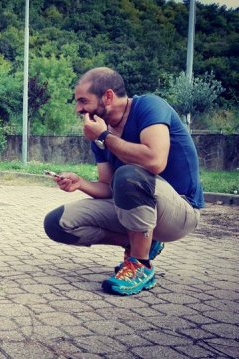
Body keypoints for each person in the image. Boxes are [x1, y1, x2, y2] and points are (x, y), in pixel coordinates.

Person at [43, 67, 203, 296]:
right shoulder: (99, 133)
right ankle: (144, 243)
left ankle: (140, 264)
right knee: (57, 224)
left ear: (107, 96)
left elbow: (155, 161)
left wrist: (104, 138)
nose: (79, 109)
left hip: (180, 211)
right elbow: (109, 187)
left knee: (129, 174)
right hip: (140, 205)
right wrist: (81, 183)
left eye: (83, 101)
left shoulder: (149, 106)